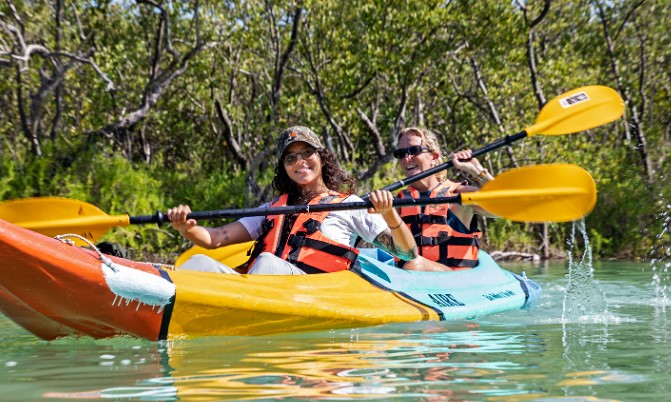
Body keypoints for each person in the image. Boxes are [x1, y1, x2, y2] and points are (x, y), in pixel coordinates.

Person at [168, 126, 417, 275]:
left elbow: (407, 253)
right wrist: (186, 228)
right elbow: (215, 238)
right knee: (197, 262)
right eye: (290, 158)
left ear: (321, 158)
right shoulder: (272, 209)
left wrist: (389, 214)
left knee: (266, 262)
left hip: (312, 293)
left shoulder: (349, 205)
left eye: (307, 153)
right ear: (284, 168)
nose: (300, 162)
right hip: (264, 288)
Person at [393, 127, 496, 272]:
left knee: (414, 264)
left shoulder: (458, 195)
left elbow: (506, 206)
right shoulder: (398, 202)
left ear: (434, 157)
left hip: (454, 281)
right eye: (401, 153)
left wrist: (477, 171)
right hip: (413, 283)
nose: (406, 158)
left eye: (414, 150)